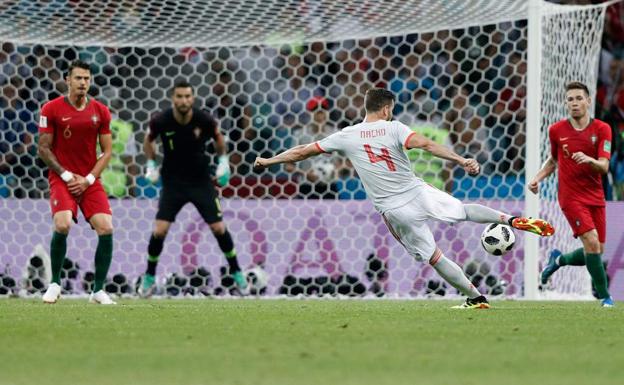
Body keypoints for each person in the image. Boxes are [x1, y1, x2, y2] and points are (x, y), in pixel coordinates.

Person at [255, 88, 555, 308]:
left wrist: (269, 161)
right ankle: (511, 219)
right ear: (386, 109)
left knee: (434, 256)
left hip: (394, 210)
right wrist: (460, 160)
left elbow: (301, 151)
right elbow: (425, 144)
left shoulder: (347, 134)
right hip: (418, 191)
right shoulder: (395, 127)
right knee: (463, 210)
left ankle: (476, 298)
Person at [138, 80, 248, 297]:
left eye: (187, 96)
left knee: (218, 228)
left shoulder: (204, 119)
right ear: (173, 98)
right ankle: (149, 276)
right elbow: (148, 140)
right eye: (179, 96)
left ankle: (237, 272)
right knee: (160, 230)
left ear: (193, 98)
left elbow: (219, 138)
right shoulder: (161, 120)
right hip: (173, 182)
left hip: (200, 181)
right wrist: (151, 163)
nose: (184, 100)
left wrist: (223, 161)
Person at [38, 60, 116, 305]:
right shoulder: (50, 109)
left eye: (87, 79)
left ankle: (98, 290)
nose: (83, 83)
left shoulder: (101, 111)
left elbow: (107, 151)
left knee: (106, 227)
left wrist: (89, 179)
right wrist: (66, 175)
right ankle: (55, 283)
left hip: (89, 180)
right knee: (62, 225)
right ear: (67, 80)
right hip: (63, 178)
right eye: (78, 78)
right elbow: (43, 149)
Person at [530, 81, 615, 307]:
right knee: (592, 242)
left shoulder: (602, 129)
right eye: (570, 99)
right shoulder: (556, 130)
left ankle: (558, 260)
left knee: (597, 249)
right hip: (570, 197)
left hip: (595, 195)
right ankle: (605, 296)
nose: (575, 103)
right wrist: (537, 178)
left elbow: (604, 166)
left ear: (588, 101)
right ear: (565, 103)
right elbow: (554, 160)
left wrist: (589, 160)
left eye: (579, 98)